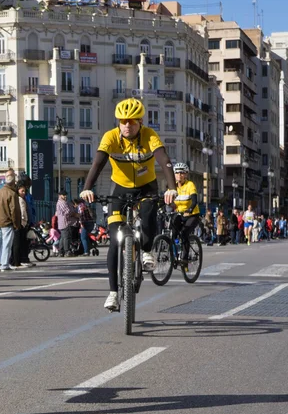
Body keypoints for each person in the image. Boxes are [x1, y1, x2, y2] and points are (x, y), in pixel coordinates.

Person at [80, 98, 176, 311]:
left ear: (140, 121)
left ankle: (146, 251)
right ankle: (114, 293)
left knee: (149, 209)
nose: (127, 126)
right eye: (123, 121)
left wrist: (171, 187)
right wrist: (87, 187)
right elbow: (98, 162)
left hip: (146, 186)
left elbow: (163, 159)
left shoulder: (150, 135)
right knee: (115, 239)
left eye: (132, 122)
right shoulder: (111, 137)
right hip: (120, 189)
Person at [0, 169, 21, 272]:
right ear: (13, 181)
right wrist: (16, 224)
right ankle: (4, 264)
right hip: (7, 222)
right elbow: (15, 210)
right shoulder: (12, 194)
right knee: (6, 244)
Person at [170, 162, 201, 264]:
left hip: (192, 215)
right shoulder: (173, 187)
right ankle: (174, 254)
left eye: (182, 173)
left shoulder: (190, 185)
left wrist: (190, 209)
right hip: (179, 214)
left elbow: (194, 200)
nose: (179, 175)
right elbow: (168, 201)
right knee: (173, 232)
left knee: (184, 233)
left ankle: (185, 258)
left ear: (186, 174)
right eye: (177, 173)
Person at [11, 182, 31, 268]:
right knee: (17, 243)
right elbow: (22, 212)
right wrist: (24, 220)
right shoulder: (19, 199)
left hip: (22, 222)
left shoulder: (21, 199)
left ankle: (17, 260)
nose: (24, 193)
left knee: (19, 243)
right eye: (22, 191)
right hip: (21, 223)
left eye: (24, 191)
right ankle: (16, 261)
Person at [56, 190, 79, 257]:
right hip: (65, 222)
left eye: (66, 195)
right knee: (66, 237)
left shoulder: (62, 202)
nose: (65, 196)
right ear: (60, 196)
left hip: (63, 222)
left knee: (63, 237)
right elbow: (68, 212)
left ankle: (61, 251)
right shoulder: (62, 202)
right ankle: (67, 251)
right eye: (64, 195)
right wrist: (75, 214)